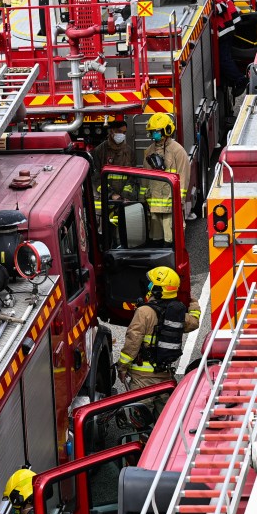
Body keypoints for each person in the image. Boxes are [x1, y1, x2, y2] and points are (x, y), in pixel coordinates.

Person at [117, 267, 201, 391]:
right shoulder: (176, 313)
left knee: (142, 410)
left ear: (157, 289)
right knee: (168, 410)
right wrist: (192, 301)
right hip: (165, 377)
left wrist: (122, 367)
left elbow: (133, 342)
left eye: (151, 283)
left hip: (142, 380)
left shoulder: (144, 312)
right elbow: (194, 322)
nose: (148, 285)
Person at [141, 113, 190, 244]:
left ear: (167, 130)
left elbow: (183, 177)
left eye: (156, 132)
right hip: (154, 206)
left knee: (171, 240)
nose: (154, 135)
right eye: (152, 132)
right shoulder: (149, 152)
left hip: (170, 206)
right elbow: (145, 178)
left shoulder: (178, 151)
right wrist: (142, 199)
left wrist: (179, 201)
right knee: (155, 241)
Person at [92, 118, 134, 198]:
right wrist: (111, 194)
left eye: (124, 132)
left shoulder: (129, 151)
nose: (122, 135)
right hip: (104, 199)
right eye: (119, 131)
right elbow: (96, 177)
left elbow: (133, 177)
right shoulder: (100, 150)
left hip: (123, 199)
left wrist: (125, 194)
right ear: (111, 131)